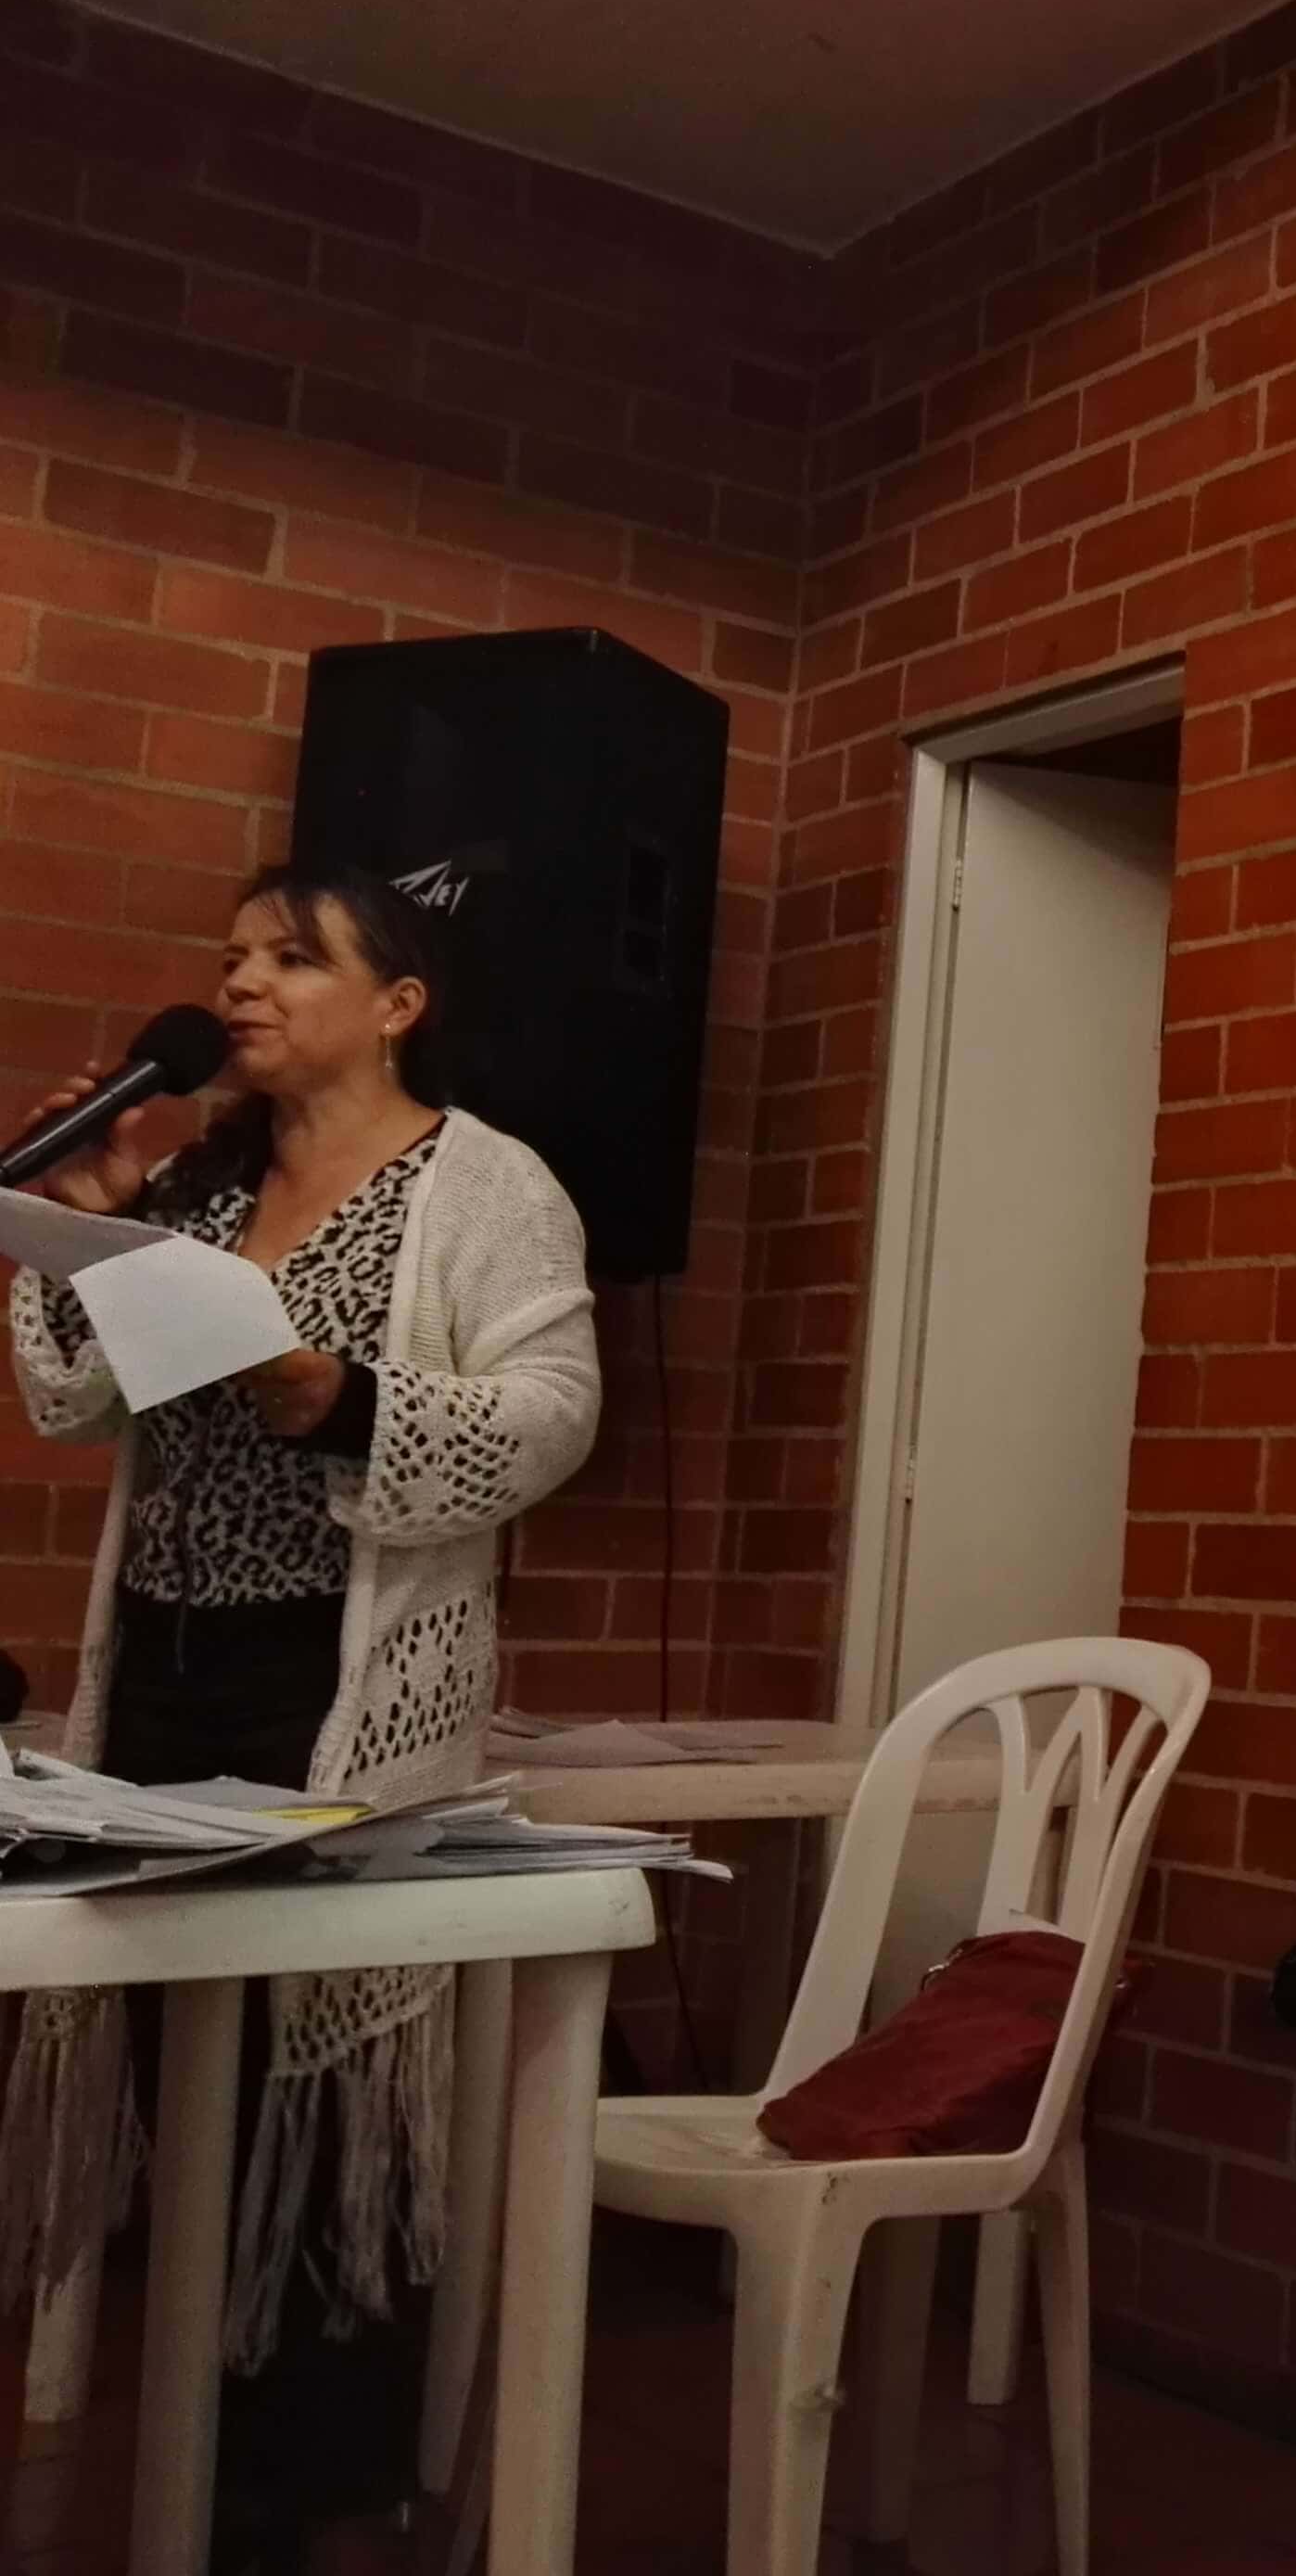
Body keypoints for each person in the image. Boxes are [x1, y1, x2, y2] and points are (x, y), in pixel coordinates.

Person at [0, 862, 602, 2576]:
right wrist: (91, 1218)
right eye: (231, 958)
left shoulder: (483, 1184)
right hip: (160, 1671)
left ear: (398, 1003)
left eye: (288, 959)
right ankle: (180, 2444)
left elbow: (552, 1413)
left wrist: (343, 1398)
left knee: (312, 2081)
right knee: (173, 2067)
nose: (240, 985)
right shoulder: (198, 1183)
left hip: (328, 1683)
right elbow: (70, 1402)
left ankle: (307, 2487)